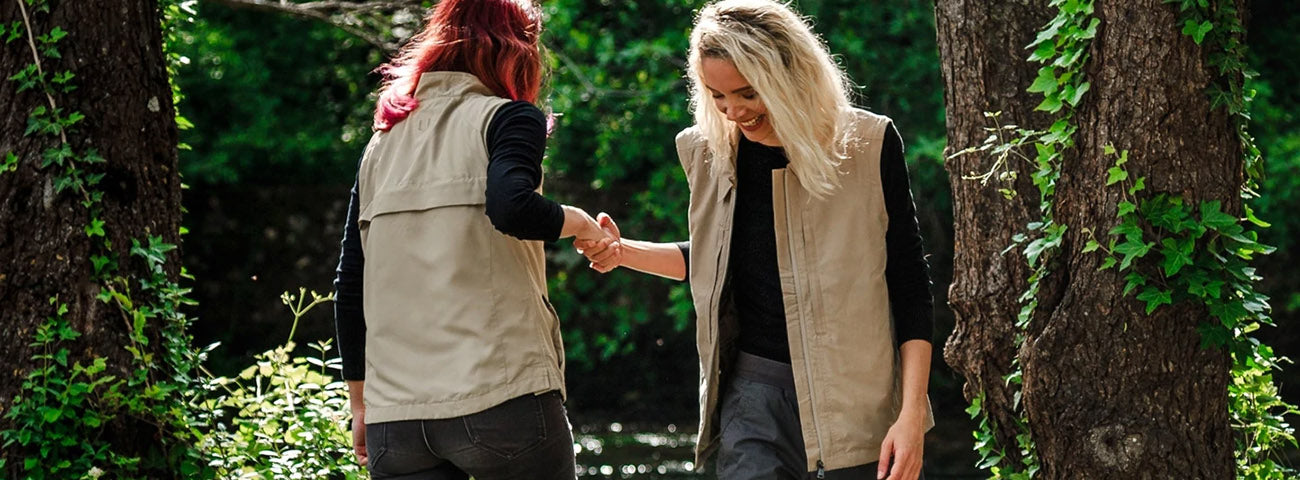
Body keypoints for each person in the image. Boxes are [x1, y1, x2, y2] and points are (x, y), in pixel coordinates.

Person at [576, 1, 935, 479]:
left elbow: (910, 286)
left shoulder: (867, 144)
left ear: (789, 75)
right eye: (717, 95)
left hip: (858, 403)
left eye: (747, 92)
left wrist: (911, 417)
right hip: (753, 400)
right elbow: (714, 261)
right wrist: (622, 253)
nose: (732, 111)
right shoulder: (707, 151)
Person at [332, 1, 611, 478]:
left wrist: (361, 405)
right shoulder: (508, 119)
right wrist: (582, 223)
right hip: (501, 400)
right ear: (517, 50)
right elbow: (512, 207)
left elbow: (349, 284)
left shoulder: (381, 144)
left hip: (396, 421)